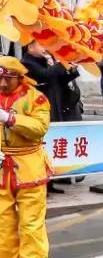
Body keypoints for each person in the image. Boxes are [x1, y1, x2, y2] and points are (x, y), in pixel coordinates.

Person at [0, 57, 52, 258]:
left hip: (29, 166)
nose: (2, 83)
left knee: (31, 222)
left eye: (7, 79)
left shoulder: (36, 98)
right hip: (2, 168)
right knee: (4, 221)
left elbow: (39, 128)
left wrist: (10, 118)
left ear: (19, 78)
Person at [21, 42, 79, 194]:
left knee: (51, 147)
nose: (44, 48)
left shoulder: (46, 61)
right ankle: (41, 183)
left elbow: (57, 80)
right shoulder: (26, 63)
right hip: (39, 110)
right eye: (40, 45)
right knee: (41, 147)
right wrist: (60, 64)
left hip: (54, 105)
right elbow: (45, 75)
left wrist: (71, 70)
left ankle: (50, 182)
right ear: (30, 47)